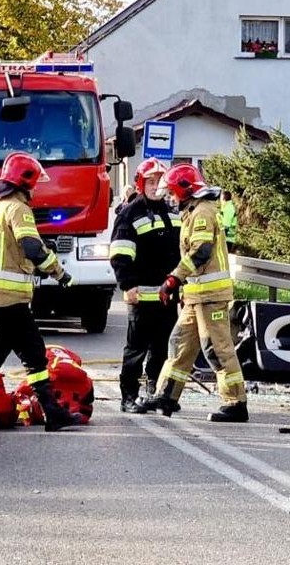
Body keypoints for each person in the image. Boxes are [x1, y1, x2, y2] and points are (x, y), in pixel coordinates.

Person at [0, 152, 81, 431]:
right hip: (13, 300)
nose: (35, 189)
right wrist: (60, 272)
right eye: (34, 184)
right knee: (33, 354)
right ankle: (52, 412)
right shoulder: (18, 210)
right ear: (26, 182)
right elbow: (32, 247)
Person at [142, 163, 249, 422]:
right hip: (196, 296)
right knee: (179, 343)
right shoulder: (194, 210)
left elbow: (200, 252)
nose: (170, 197)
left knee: (216, 348)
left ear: (184, 189)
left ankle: (236, 403)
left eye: (173, 192)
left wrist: (173, 279)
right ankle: (167, 394)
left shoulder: (202, 212)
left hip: (210, 296)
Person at [109, 158, 181, 413]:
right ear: (141, 183)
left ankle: (155, 392)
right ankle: (128, 397)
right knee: (136, 350)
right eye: (151, 181)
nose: (156, 186)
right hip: (140, 295)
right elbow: (120, 254)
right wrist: (127, 285)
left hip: (167, 296)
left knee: (162, 348)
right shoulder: (130, 213)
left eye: (160, 181)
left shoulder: (172, 212)